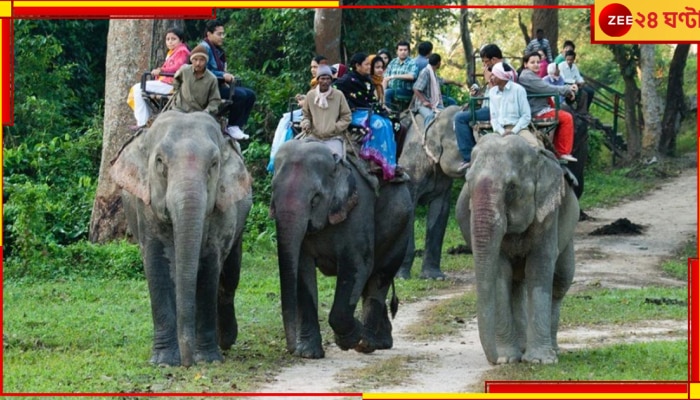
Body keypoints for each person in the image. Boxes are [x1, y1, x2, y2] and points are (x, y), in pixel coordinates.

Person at [335, 52, 401, 181]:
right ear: (357, 66)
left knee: (391, 123)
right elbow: (334, 91)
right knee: (379, 125)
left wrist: (383, 110)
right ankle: (373, 160)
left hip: (368, 111)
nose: (368, 67)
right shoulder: (347, 80)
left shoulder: (367, 80)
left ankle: (389, 163)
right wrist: (347, 105)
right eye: (366, 64)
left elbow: (372, 101)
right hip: (355, 113)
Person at [453, 44, 515, 172]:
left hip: (497, 111)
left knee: (459, 118)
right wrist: (478, 93)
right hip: (488, 107)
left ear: (493, 60)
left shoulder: (505, 69)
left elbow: (498, 96)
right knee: (464, 112)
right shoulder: (495, 69)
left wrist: (489, 80)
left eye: (486, 62)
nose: (485, 65)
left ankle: (468, 157)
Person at [199, 19, 257, 140]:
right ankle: (232, 126)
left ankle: (238, 126)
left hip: (219, 85)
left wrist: (225, 76)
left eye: (223, 34)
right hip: (208, 88)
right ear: (209, 34)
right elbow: (202, 70)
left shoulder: (217, 49)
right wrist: (222, 75)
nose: (222, 37)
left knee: (250, 95)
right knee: (240, 95)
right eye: (219, 34)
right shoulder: (203, 48)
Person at [518, 52, 577, 162]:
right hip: (537, 111)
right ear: (525, 64)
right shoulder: (528, 77)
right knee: (567, 117)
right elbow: (547, 89)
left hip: (539, 107)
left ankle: (557, 149)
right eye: (532, 62)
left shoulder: (530, 75)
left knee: (561, 113)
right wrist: (567, 89)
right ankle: (563, 152)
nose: (536, 64)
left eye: (538, 62)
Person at [128, 27, 190, 130]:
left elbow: (178, 67)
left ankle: (143, 122)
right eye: (168, 39)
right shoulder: (174, 51)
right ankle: (145, 120)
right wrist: (161, 70)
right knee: (138, 89)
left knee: (138, 89)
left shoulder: (182, 51)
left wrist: (161, 71)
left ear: (181, 40)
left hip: (172, 84)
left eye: (173, 39)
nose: (170, 42)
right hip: (167, 82)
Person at [300, 65, 351, 157]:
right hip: (314, 137)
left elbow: (346, 116)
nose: (325, 82)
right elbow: (306, 115)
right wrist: (306, 123)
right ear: (318, 80)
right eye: (322, 79)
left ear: (331, 80)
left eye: (328, 79)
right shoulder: (310, 95)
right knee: (300, 157)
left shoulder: (338, 95)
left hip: (333, 138)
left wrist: (335, 127)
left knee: (336, 160)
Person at [488, 62, 537, 147]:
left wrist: (513, 131)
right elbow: (493, 117)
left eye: (494, 75)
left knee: (534, 146)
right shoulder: (492, 92)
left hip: (519, 129)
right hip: (500, 130)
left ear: (501, 76)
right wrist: (502, 132)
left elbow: (526, 116)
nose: (491, 78)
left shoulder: (518, 90)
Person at [171, 44, 221, 116]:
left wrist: (207, 111)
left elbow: (215, 100)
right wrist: (176, 94)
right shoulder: (184, 70)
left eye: (202, 60)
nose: (198, 63)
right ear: (191, 60)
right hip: (180, 109)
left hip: (200, 113)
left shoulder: (212, 79)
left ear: (206, 61)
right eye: (195, 59)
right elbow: (176, 81)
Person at [383, 40, 418, 108]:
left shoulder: (412, 62)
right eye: (400, 50)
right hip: (391, 89)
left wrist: (394, 76)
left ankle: (387, 114)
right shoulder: (393, 62)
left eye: (405, 50)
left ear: (408, 51)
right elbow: (386, 78)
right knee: (381, 92)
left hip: (406, 90)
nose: (403, 52)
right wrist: (382, 92)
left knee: (388, 93)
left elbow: (412, 76)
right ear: (397, 51)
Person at [411, 53, 444, 126]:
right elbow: (416, 88)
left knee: (446, 115)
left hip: (434, 103)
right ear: (438, 63)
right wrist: (424, 101)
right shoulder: (425, 72)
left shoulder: (433, 73)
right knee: (430, 116)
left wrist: (455, 82)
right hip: (422, 105)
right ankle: (427, 136)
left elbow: (441, 80)